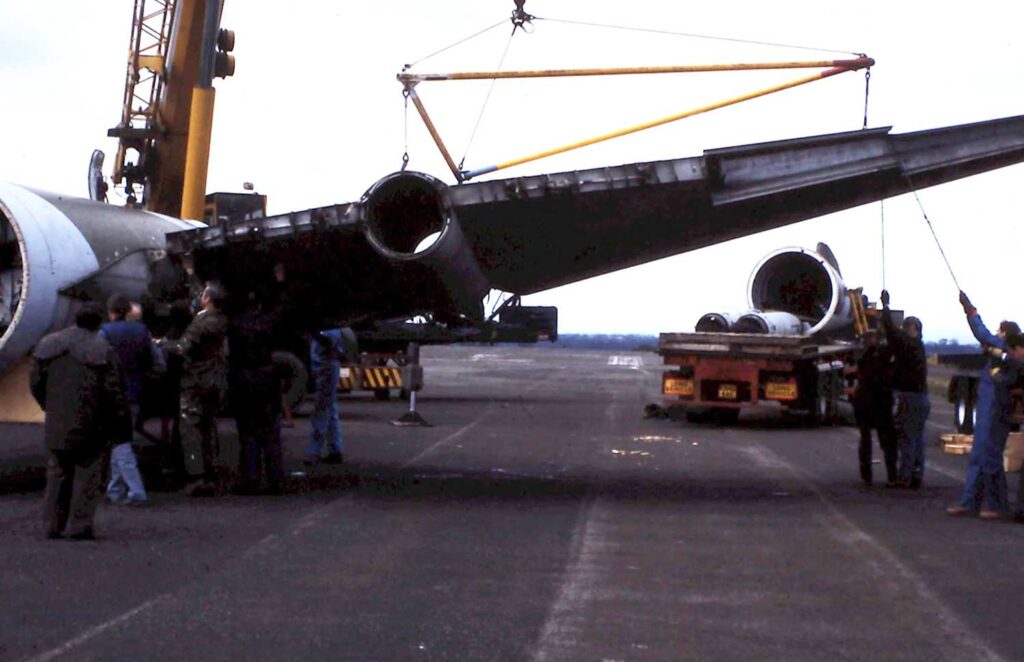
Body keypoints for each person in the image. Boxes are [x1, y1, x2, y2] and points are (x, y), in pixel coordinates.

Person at [30, 303, 131, 540]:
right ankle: (80, 524)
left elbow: (35, 382)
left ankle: (52, 524)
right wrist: (117, 417)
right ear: (98, 322)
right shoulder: (102, 349)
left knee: (57, 472)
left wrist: (49, 404)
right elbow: (113, 391)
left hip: (57, 418)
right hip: (92, 420)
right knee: (88, 472)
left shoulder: (49, 345)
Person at [947, 291, 1020, 519]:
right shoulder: (1001, 355)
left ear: (1005, 335)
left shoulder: (1003, 349)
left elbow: (982, 333)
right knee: (981, 457)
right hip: (991, 410)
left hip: (995, 411)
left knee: (987, 457)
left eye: (1000, 330)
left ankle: (993, 505)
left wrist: (970, 311)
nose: (996, 333)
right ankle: (972, 502)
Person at [162, 283, 229, 496]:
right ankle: (212, 473)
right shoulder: (222, 321)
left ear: (208, 299)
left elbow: (182, 348)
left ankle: (196, 476)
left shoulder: (200, 324)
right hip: (216, 381)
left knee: (190, 431)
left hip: (195, 382)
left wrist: (161, 344)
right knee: (209, 429)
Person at [100, 295, 165, 505]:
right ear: (128, 311)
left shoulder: (104, 333)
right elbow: (159, 364)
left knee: (120, 441)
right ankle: (115, 489)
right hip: (135, 390)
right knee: (122, 437)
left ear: (111, 312)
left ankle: (136, 491)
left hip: (110, 393)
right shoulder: (141, 331)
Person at [228, 294, 284, 494]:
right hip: (267, 380)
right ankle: (275, 479)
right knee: (271, 433)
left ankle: (251, 479)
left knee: (248, 434)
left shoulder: (234, 325)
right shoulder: (269, 324)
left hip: (244, 381)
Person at [880, 290, 930, 489]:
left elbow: (891, 332)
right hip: (922, 398)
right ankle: (916, 474)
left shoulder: (908, 345)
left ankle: (905, 476)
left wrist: (885, 307)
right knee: (917, 438)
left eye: (905, 327)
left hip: (910, 398)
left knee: (907, 438)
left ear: (912, 329)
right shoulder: (918, 346)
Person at [853, 330, 897, 486]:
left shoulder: (863, 357)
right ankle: (892, 475)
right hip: (880, 402)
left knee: (866, 440)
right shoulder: (883, 357)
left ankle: (867, 475)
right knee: (886, 440)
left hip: (866, 401)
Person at [306, 328, 347, 465]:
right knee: (330, 409)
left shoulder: (328, 328)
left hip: (325, 366)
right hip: (326, 365)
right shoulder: (331, 327)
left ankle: (314, 451)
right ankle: (335, 450)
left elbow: (330, 343)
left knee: (322, 410)